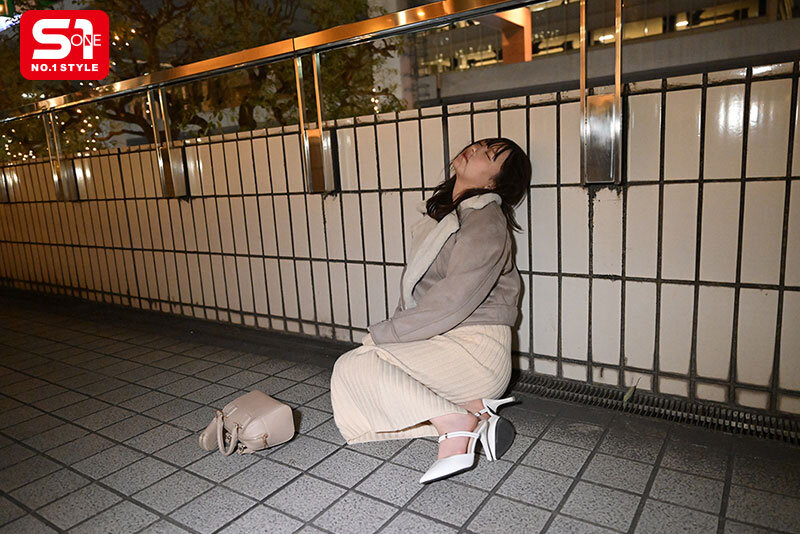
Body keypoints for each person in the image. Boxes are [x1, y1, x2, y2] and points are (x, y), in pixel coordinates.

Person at [330, 137, 531, 484]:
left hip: (474, 353)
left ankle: (455, 423)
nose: (475, 149)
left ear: (494, 183)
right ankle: (472, 415)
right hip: (445, 345)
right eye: (479, 144)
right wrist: (391, 336)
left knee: (354, 366)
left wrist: (386, 334)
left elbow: (453, 301)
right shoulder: (450, 218)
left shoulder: (486, 221)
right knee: (357, 382)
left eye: (489, 154)